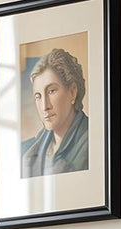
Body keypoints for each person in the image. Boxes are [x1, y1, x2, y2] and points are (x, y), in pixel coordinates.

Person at [21, 48, 89, 177]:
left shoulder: (93, 142)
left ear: (72, 92)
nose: (44, 106)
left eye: (51, 91)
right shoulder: (27, 151)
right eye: (38, 96)